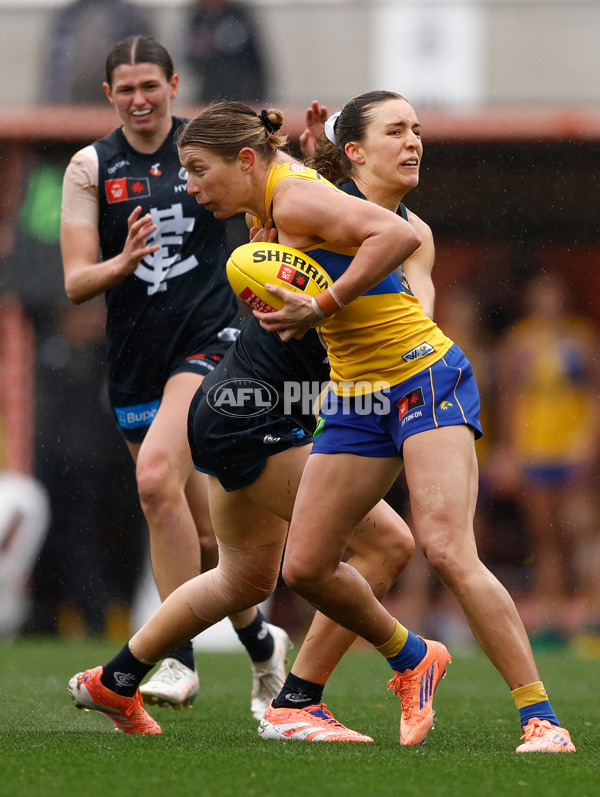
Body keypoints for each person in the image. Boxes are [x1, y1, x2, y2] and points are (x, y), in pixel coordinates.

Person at [67, 100, 454, 747]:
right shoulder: (275, 196)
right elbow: (386, 232)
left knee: (243, 578)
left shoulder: (291, 197)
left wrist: (320, 304)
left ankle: (116, 678)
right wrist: (324, 304)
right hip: (253, 413)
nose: (188, 187)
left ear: (246, 160)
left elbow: (398, 235)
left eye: (197, 170)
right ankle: (401, 660)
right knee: (384, 544)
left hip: (236, 408)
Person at [253, 94, 575, 754]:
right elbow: (260, 211)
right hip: (355, 395)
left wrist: (325, 303)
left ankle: (541, 718)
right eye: (396, 131)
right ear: (355, 151)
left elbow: (418, 308)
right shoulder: (310, 202)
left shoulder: (415, 231)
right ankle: (392, 665)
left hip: (424, 376)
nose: (414, 142)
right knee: (308, 566)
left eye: (418, 131)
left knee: (447, 545)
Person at [60, 37, 289, 716]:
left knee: (155, 477)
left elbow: (281, 183)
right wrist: (121, 262)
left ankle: (175, 659)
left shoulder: (206, 144)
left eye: (150, 86)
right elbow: (76, 282)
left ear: (173, 84)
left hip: (211, 343)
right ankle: (262, 647)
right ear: (109, 95)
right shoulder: (89, 166)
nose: (139, 100)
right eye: (125, 89)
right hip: (135, 361)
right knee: (204, 532)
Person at [495, 270, 600, 637]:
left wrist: (589, 443)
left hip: (571, 449)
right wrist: (508, 450)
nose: (547, 303)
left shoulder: (579, 337)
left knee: (582, 530)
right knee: (544, 537)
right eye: (541, 296)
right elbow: (508, 398)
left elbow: (594, 394)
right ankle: (552, 619)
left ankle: (591, 616)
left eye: (553, 295)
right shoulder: (518, 341)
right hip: (534, 451)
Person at [184, 0, 269, 104]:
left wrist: (212, 43)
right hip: (211, 88)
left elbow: (237, 42)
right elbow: (189, 53)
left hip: (243, 88)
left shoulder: (237, 14)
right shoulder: (198, 17)